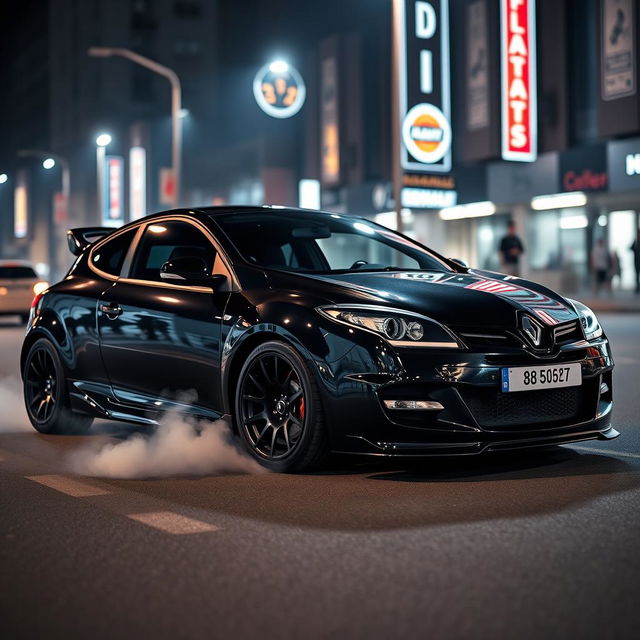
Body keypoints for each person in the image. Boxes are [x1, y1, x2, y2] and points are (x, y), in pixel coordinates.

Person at [632, 229, 640, 294]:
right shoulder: (635, 241)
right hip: (636, 262)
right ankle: (637, 287)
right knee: (636, 275)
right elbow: (631, 248)